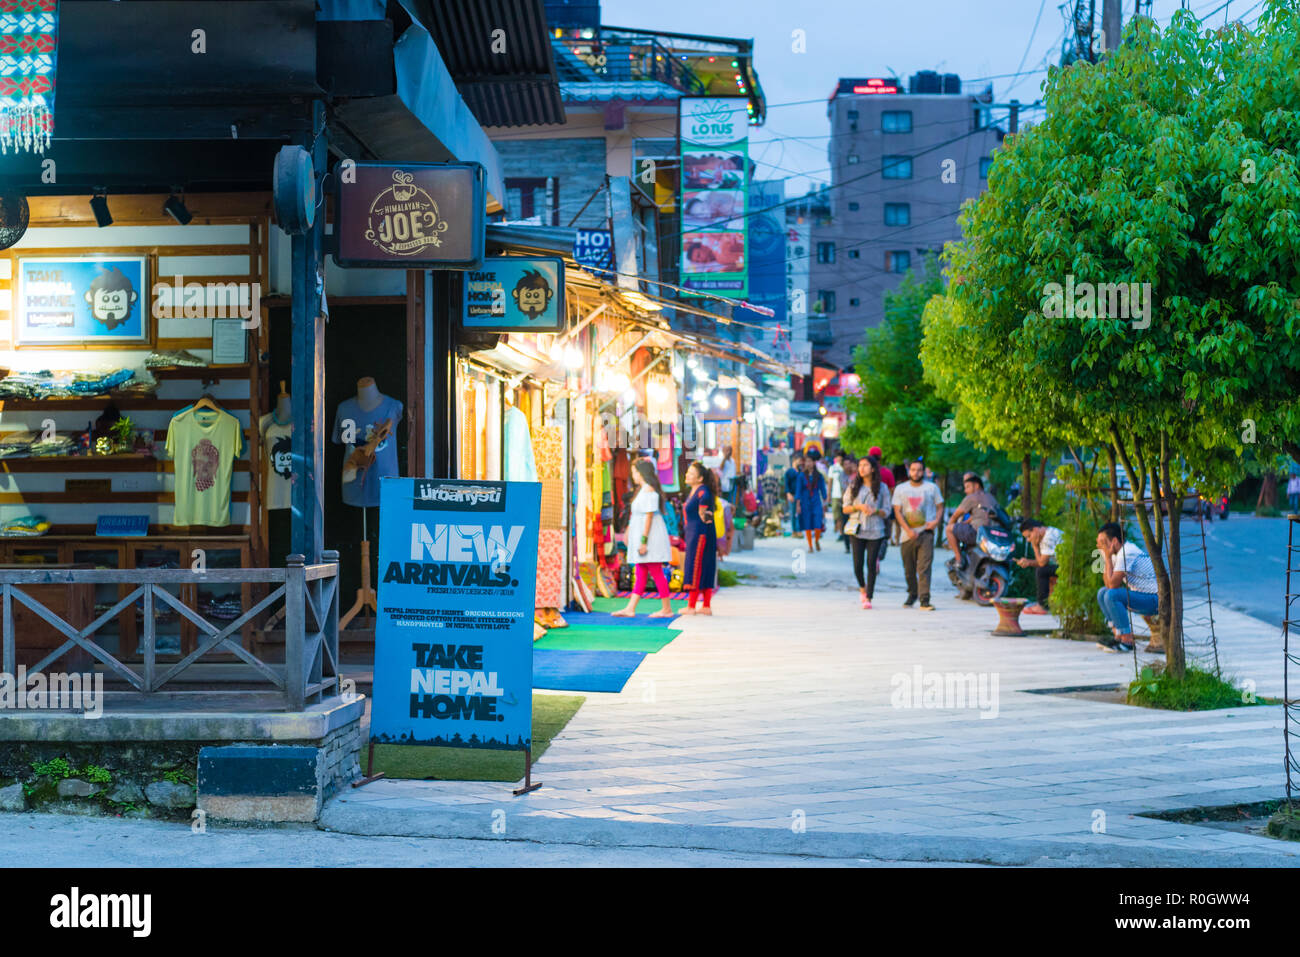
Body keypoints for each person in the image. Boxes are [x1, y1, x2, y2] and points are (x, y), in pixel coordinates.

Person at [612, 458, 675, 618]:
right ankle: (631, 607)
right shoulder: (644, 490)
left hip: (650, 538)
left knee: (655, 571)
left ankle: (666, 608)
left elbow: (648, 517)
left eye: (634, 472)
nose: (633, 476)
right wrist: (630, 532)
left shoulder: (648, 491)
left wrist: (644, 541)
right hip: (644, 536)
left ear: (641, 473)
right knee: (641, 572)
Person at [1094, 522, 1161, 653]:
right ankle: (1118, 636)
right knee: (1102, 592)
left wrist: (1107, 558)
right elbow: (1108, 584)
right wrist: (1107, 558)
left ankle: (1127, 640)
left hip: (1155, 599)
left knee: (1112, 595)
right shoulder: (1117, 554)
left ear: (1114, 541)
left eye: (1102, 542)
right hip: (1144, 596)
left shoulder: (1127, 552)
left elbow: (1113, 584)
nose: (1099, 546)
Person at [892, 459, 944, 610]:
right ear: (909, 471)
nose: (916, 473)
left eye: (919, 470)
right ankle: (912, 593)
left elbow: (940, 506)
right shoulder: (901, 489)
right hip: (907, 535)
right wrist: (907, 529)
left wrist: (936, 522)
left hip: (926, 533)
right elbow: (897, 511)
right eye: (913, 470)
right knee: (909, 569)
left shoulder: (931, 488)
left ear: (923, 471)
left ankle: (924, 600)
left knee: (924, 567)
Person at [844, 457, 892, 609]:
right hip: (857, 530)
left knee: (871, 564)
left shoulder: (883, 488)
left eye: (866, 465)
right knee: (857, 565)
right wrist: (859, 507)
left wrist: (875, 510)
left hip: (876, 531)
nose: (862, 468)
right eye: (860, 465)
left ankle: (869, 597)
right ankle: (862, 589)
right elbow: (845, 508)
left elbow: (887, 511)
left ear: (873, 469)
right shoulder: (853, 486)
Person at [680, 460, 719, 615]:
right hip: (693, 533)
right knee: (702, 566)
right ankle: (705, 606)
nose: (687, 475)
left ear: (700, 478)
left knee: (695, 566)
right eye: (688, 472)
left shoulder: (703, 492)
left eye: (691, 473)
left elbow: (707, 516)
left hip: (700, 534)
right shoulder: (695, 492)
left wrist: (705, 535)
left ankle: (692, 606)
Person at [945, 472, 999, 566]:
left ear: (977, 485)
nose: (965, 491)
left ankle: (959, 560)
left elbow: (955, 516)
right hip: (992, 533)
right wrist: (965, 523)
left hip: (977, 533)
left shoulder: (972, 497)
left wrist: (950, 530)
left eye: (968, 487)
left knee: (948, 529)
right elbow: (979, 516)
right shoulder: (991, 497)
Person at [1017, 518, 1063, 614]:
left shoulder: (1048, 538)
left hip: (1069, 568)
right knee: (1044, 570)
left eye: (1029, 536)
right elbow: (1042, 561)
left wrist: (1034, 547)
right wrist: (1028, 562)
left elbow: (1042, 563)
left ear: (1035, 529)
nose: (1029, 540)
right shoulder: (1046, 534)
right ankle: (1050, 604)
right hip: (1063, 566)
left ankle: (1042, 606)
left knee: (1041, 571)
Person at [794, 455, 827, 552]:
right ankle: (810, 546)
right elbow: (798, 491)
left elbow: (823, 489)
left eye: (810, 461)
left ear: (814, 463)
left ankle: (816, 540)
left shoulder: (819, 476)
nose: (808, 463)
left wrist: (825, 502)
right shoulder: (801, 476)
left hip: (816, 500)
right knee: (807, 523)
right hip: (805, 501)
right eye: (807, 461)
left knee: (818, 521)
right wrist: (798, 505)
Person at [829, 451, 848, 548]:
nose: (839, 460)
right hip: (835, 495)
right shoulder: (833, 468)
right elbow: (830, 481)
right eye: (838, 458)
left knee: (845, 515)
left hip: (846, 496)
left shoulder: (846, 468)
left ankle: (846, 533)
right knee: (837, 516)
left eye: (841, 458)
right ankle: (841, 532)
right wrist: (828, 496)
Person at [783, 453, 804, 537]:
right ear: (794, 461)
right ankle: (794, 530)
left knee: (799, 513)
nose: (800, 462)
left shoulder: (800, 472)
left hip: (799, 495)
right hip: (791, 494)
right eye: (798, 461)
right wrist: (788, 494)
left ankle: (799, 529)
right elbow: (786, 484)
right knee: (792, 513)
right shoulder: (789, 472)